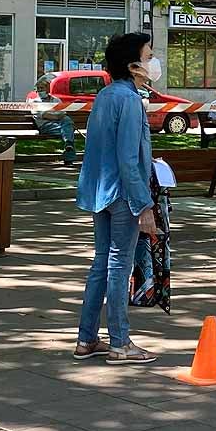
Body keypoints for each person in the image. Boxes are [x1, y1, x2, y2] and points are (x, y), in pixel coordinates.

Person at [73, 32, 160, 365]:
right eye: (149, 56)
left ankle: (87, 338)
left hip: (100, 191)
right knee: (118, 266)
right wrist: (144, 204)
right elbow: (128, 158)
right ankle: (120, 343)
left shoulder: (106, 95)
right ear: (133, 65)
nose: (153, 62)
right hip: (123, 194)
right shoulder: (130, 100)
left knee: (101, 264)